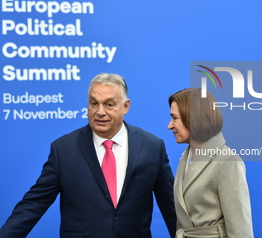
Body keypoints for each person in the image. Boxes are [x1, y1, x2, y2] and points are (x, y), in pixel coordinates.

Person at [0, 73, 176, 238]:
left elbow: (171, 207)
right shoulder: (64, 149)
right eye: (94, 103)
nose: (100, 112)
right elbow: (34, 204)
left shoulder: (152, 146)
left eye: (109, 104)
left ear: (125, 106)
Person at [167, 88, 253, 238]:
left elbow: (241, 231)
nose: (170, 125)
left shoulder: (227, 161)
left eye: (175, 118)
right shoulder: (185, 158)